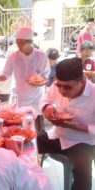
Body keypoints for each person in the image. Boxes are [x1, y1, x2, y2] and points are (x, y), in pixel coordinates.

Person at [38, 57, 95, 190]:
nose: (62, 91)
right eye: (59, 85)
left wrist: (72, 126)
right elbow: (45, 99)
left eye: (67, 87)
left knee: (83, 178)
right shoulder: (58, 85)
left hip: (82, 142)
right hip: (57, 135)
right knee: (27, 146)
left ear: (81, 81)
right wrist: (47, 108)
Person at [0, 27, 50, 113]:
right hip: (19, 97)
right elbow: (5, 75)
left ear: (30, 42)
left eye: (21, 43)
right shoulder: (13, 57)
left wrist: (39, 82)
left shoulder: (41, 56)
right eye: (17, 42)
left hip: (36, 98)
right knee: (18, 122)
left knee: (36, 123)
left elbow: (45, 76)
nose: (19, 45)